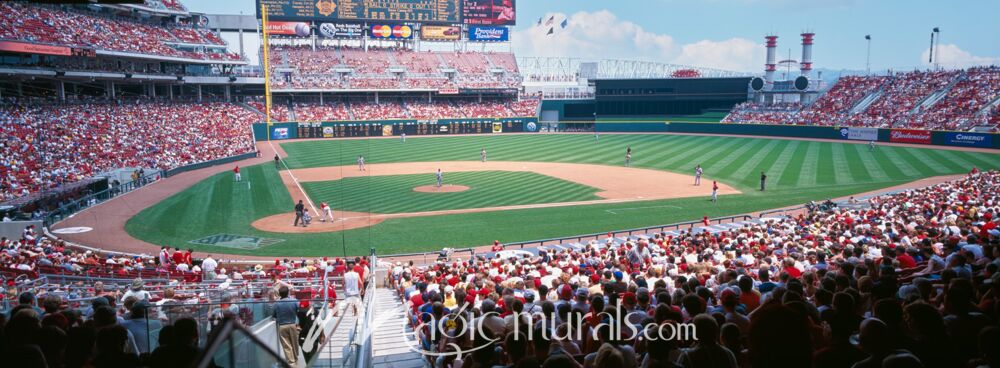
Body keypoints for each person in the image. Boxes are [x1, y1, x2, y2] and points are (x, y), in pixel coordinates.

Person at [273, 286, 300, 366]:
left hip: (282, 326)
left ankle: (291, 362)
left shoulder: (277, 303)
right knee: (295, 343)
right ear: (288, 292)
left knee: (286, 345)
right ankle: (295, 358)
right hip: (292, 324)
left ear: (280, 294)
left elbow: (274, 315)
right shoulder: (294, 301)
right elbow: (299, 311)